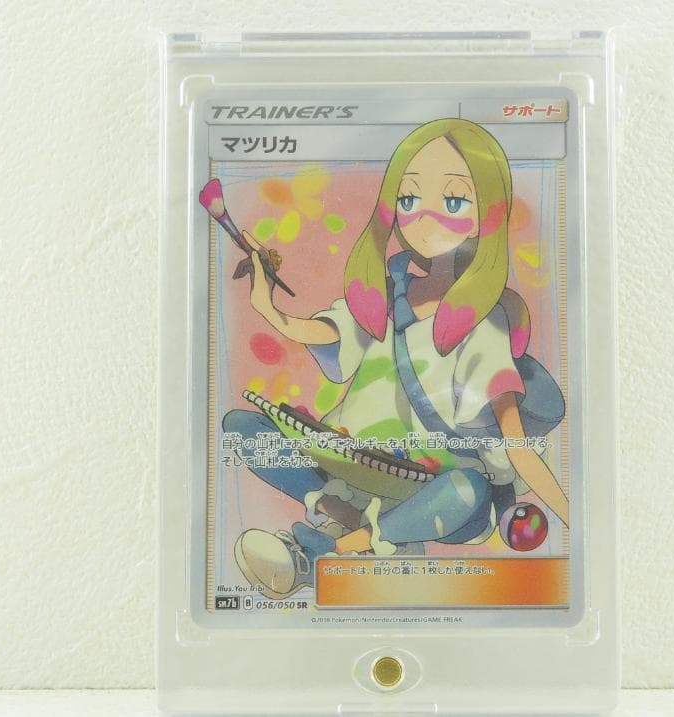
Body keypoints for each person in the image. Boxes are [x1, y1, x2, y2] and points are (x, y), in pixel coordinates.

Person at [222, 118, 568, 599]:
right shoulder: (388, 291)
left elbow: (514, 442)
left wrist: (577, 520)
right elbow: (327, 331)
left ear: (486, 216)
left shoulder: (485, 323)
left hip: (428, 483)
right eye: (408, 200)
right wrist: (268, 307)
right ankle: (339, 514)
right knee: (242, 427)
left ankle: (323, 550)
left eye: (453, 201)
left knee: (466, 491)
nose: (424, 218)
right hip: (350, 460)